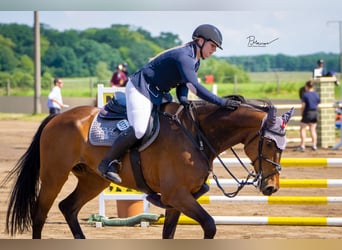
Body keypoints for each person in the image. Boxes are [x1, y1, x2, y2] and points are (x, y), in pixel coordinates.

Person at [98, 24, 241, 183]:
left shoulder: (195, 60)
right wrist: (221, 102)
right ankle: (107, 163)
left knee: (171, 126)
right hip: (140, 88)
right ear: (200, 41)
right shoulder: (184, 57)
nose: (214, 50)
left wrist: (184, 99)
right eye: (212, 46)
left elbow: (183, 84)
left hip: (158, 93)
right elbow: (195, 87)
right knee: (139, 130)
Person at [296, 80, 320, 152]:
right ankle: (314, 145)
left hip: (307, 112)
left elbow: (303, 106)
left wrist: (302, 113)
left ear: (307, 86)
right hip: (315, 112)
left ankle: (302, 145)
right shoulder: (316, 94)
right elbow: (317, 104)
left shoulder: (305, 95)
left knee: (303, 129)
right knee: (313, 129)